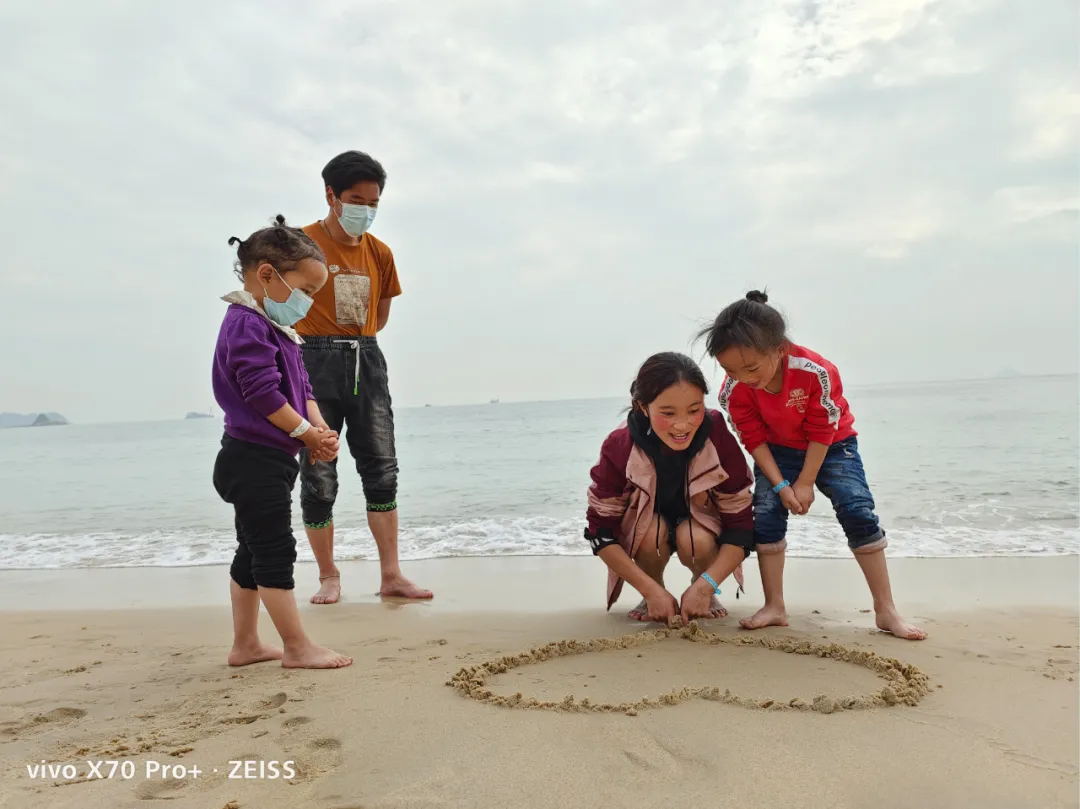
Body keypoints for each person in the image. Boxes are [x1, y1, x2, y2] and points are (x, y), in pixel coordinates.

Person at [700, 290, 926, 640]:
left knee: (857, 509)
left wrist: (805, 483)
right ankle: (774, 606)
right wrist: (779, 485)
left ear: (779, 349)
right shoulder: (734, 390)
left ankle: (886, 609)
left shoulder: (815, 371)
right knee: (767, 513)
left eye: (751, 368)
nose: (743, 377)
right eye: (730, 369)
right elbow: (753, 438)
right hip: (776, 451)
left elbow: (823, 428)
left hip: (832, 445)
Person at [212, 215, 353, 669]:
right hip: (251, 458)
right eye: (306, 291)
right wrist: (304, 432)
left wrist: (318, 431)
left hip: (267, 457)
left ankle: (246, 645)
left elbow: (303, 390)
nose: (309, 303)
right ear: (268, 274)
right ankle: (296, 646)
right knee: (273, 550)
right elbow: (262, 392)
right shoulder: (246, 324)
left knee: (250, 550)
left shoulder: (278, 329)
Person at [293, 150, 432, 605]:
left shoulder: (381, 254)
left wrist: (355, 343)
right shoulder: (299, 244)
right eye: (357, 199)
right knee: (319, 472)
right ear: (331, 195)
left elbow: (381, 316)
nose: (366, 210)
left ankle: (391, 574)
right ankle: (328, 576)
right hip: (311, 361)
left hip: (367, 359)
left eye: (373, 202)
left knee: (382, 470)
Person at [584, 352, 756, 624]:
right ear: (643, 406)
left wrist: (706, 584)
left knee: (694, 537)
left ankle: (704, 592)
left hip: (702, 532)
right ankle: (655, 592)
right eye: (667, 413)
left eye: (694, 410)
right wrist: (649, 589)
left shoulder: (717, 435)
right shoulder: (619, 446)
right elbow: (600, 533)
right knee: (652, 532)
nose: (682, 425)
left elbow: (742, 526)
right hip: (647, 531)